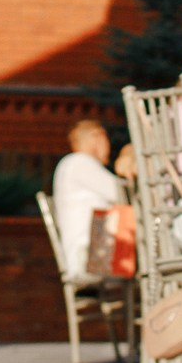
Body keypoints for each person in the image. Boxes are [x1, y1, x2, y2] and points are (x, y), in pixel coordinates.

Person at [51, 117, 134, 279]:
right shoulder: (79, 162)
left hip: (91, 255)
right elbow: (125, 194)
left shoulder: (72, 165)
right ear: (97, 136)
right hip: (89, 257)